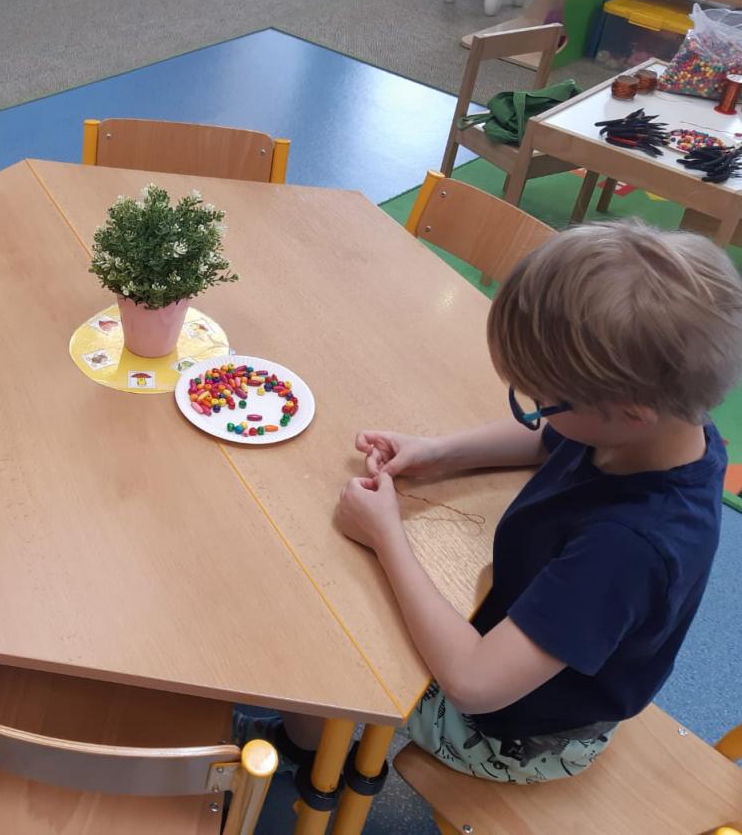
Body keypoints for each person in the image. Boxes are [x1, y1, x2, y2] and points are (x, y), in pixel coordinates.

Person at [246, 220, 742, 783]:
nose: (535, 410)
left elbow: (473, 684)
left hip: (513, 732)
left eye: (542, 400)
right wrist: (438, 452)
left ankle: (305, 751)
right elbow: (550, 437)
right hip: (521, 648)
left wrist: (386, 536)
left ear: (631, 415)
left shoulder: (629, 548)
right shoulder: (665, 431)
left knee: (326, 620)